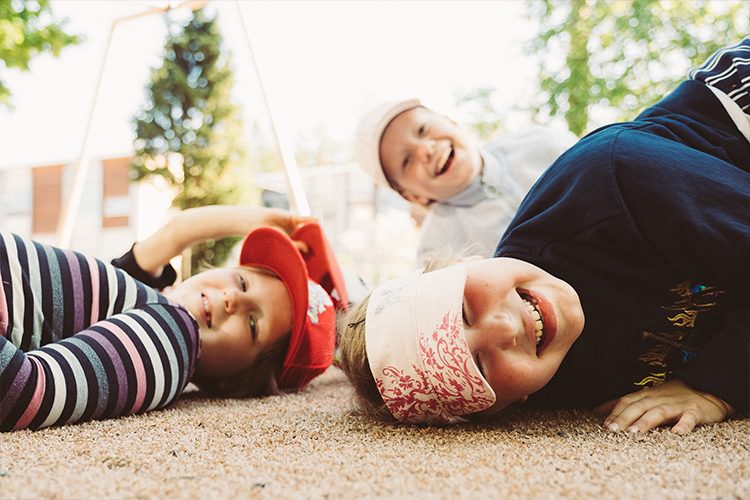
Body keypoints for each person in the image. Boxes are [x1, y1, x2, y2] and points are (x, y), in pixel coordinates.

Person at [339, 39, 750, 434]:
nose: (502, 329)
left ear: (466, 262)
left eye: (463, 309)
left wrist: (713, 385)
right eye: (478, 369)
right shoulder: (551, 387)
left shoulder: (611, 182)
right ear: (500, 407)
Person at [1, 205, 349, 431]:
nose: (231, 299)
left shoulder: (172, 340)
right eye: (242, 281)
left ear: (238, 382)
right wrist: (251, 221)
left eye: (253, 322)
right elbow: (175, 233)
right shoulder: (142, 298)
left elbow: (26, 391)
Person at [355, 96, 577, 266]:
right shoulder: (438, 259)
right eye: (407, 161)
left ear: (450, 121)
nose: (425, 149)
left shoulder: (542, 143)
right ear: (413, 196)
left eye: (422, 129)